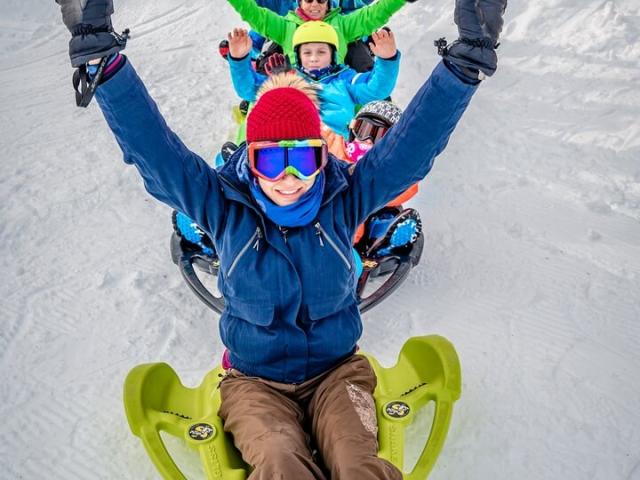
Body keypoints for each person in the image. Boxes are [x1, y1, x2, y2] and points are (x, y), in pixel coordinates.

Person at [54, 0, 506, 477]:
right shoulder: (223, 207)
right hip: (254, 383)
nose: (289, 179)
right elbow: (156, 153)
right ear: (250, 161)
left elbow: (409, 150)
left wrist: (463, 66)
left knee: (357, 464)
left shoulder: (345, 197)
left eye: (304, 161)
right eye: (271, 162)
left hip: (338, 375)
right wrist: (104, 64)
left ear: (321, 157)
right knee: (278, 461)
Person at [227, 22, 399, 145]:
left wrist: (387, 59)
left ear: (332, 54)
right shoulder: (288, 79)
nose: (314, 58)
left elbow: (376, 89)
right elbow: (249, 89)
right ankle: (240, 160)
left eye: (321, 52)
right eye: (307, 52)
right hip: (294, 143)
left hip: (335, 146)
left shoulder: (345, 79)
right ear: (298, 56)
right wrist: (239, 59)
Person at [225, 0, 414, 66]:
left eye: (321, 0)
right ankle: (250, 57)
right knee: (270, 57)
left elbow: (371, 15)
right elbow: (256, 14)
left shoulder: (341, 24)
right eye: (308, 0)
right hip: (294, 80)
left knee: (361, 58)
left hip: (335, 80)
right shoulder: (286, 26)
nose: (315, 5)